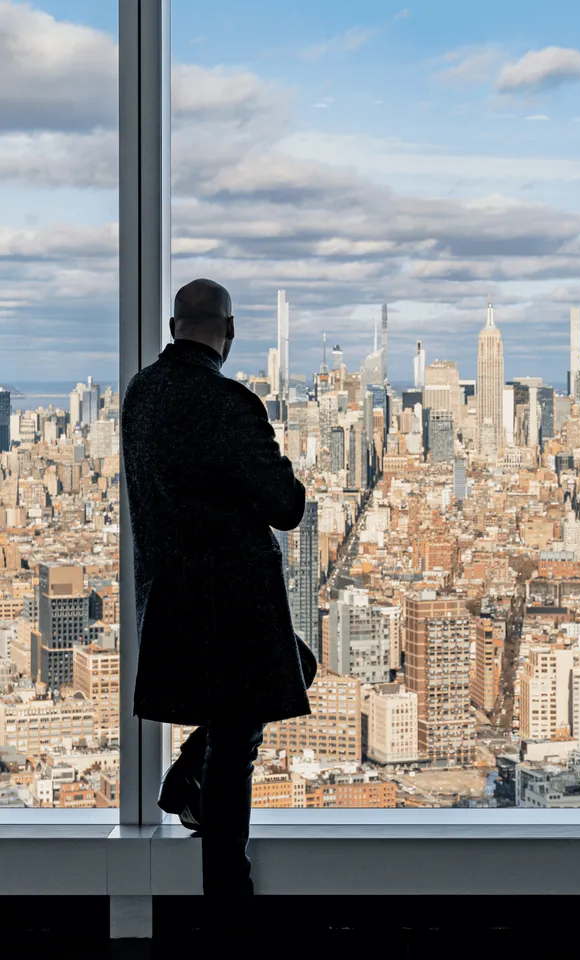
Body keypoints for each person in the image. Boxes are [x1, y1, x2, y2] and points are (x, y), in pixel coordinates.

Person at [121, 278, 313, 899]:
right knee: (234, 751)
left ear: (174, 327)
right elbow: (284, 506)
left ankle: (182, 782)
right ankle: (227, 898)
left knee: (293, 667)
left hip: (170, 597)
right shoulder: (231, 402)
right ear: (228, 333)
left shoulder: (140, 394)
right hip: (232, 601)